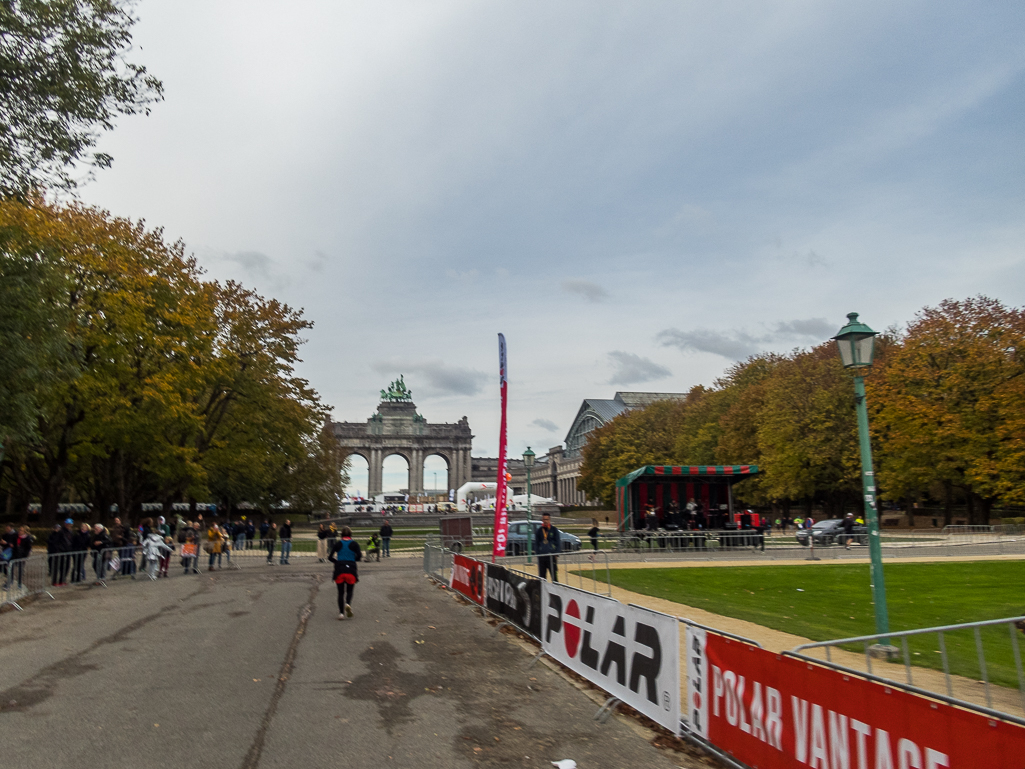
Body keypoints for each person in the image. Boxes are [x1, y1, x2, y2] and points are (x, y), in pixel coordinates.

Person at [328, 526, 362, 619]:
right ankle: (348, 603)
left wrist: (337, 561)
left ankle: (341, 613)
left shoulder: (338, 544)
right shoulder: (354, 544)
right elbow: (359, 556)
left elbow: (330, 557)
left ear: (341, 534)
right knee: (350, 590)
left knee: (340, 592)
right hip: (350, 569)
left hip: (340, 569)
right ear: (350, 534)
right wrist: (352, 560)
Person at [534, 513, 561, 583]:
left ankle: (556, 591)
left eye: (547, 519)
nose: (545, 521)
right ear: (542, 520)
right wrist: (538, 553)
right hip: (542, 556)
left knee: (554, 576)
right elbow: (536, 543)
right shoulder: (539, 531)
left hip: (551, 556)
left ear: (549, 520)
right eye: (544, 519)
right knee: (542, 577)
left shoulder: (554, 530)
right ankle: (543, 592)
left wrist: (556, 554)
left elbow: (558, 542)